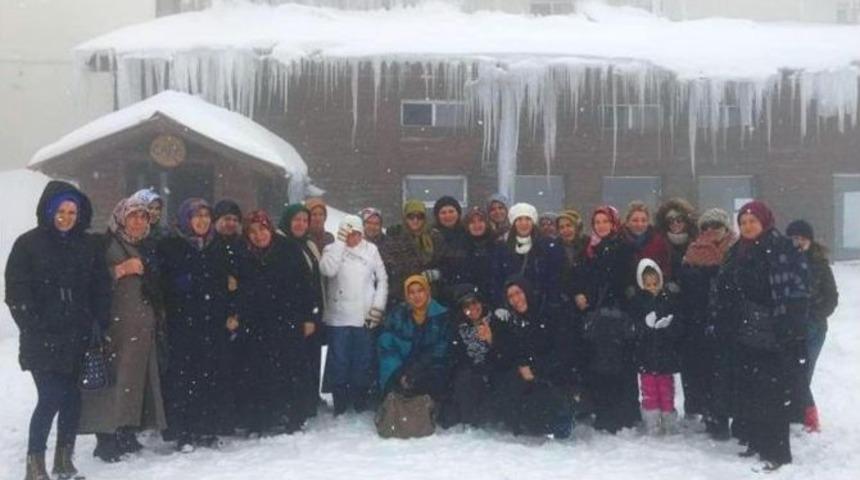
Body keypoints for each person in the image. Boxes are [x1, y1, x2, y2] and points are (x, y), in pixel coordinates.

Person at [5, 181, 111, 480]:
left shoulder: (87, 245)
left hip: (78, 336)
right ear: (49, 210)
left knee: (73, 400)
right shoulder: (28, 244)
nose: (66, 217)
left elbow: (100, 287)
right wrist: (34, 323)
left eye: (72, 211)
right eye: (61, 211)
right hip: (43, 339)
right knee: (51, 396)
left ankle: (64, 460)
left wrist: (98, 321)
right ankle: (34, 465)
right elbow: (16, 292)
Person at [713, 201, 809, 471]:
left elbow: (798, 290)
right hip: (744, 331)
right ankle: (756, 441)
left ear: (765, 222)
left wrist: (789, 326)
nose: (748, 226)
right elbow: (726, 287)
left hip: (775, 332)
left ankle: (777, 451)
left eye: (752, 221)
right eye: (743, 222)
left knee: (773, 395)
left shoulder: (782, 249)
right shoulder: (737, 251)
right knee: (750, 391)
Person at [78, 197, 167, 462]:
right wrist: (118, 270)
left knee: (134, 382)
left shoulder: (147, 246)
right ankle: (105, 438)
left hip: (142, 329)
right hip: (114, 327)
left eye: (143, 216)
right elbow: (88, 280)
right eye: (133, 216)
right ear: (120, 217)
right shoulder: (105, 243)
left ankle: (126, 432)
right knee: (113, 382)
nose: (139, 221)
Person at [158, 198, 235, 452]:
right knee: (184, 377)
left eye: (206, 215)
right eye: (196, 216)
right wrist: (180, 286)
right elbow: (161, 284)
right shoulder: (171, 246)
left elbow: (228, 282)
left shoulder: (217, 246)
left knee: (210, 375)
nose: (202, 220)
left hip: (212, 323)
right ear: (186, 219)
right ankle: (185, 431)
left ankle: (208, 427)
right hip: (183, 324)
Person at [236, 210, 316, 434]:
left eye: (262, 230)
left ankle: (293, 416)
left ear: (269, 228)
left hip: (287, 320)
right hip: (257, 322)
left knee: (290, 369)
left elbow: (305, 285)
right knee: (260, 371)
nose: (258, 236)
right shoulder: (244, 253)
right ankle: (263, 417)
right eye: (252, 232)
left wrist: (309, 317)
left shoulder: (288, 250)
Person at [575, 205, 639, 433]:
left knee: (614, 366)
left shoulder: (622, 247)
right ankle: (603, 410)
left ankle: (616, 415)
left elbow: (619, 281)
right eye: (598, 222)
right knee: (599, 364)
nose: (601, 226)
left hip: (615, 313)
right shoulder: (591, 247)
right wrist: (581, 293)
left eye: (605, 221)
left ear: (614, 223)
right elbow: (584, 275)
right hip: (596, 314)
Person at [319, 215, 388, 415]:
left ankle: (360, 397)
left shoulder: (371, 250)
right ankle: (340, 399)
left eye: (356, 233)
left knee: (363, 359)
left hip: (364, 315)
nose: (353, 238)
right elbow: (328, 270)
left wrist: (378, 307)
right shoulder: (331, 250)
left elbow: (382, 280)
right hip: (338, 316)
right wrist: (340, 243)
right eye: (348, 233)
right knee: (339, 359)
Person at [677, 208, 736, 439]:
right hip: (698, 321)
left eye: (717, 226)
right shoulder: (692, 253)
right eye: (706, 226)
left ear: (726, 228)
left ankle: (725, 416)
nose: (712, 231)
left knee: (726, 373)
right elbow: (686, 289)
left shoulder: (736, 250)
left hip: (728, 321)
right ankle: (711, 416)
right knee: (703, 372)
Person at [490, 276, 573, 438]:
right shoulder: (512, 321)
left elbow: (563, 351)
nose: (516, 299)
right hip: (527, 378)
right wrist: (493, 340)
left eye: (518, 293)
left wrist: (536, 368)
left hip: (552, 375)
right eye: (510, 297)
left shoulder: (549, 313)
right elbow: (510, 355)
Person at [785, 219, 839, 432]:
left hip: (813, 327)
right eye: (794, 238)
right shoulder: (783, 262)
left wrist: (815, 314)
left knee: (804, 371)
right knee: (792, 370)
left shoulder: (818, 263)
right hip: (790, 325)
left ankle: (806, 414)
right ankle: (797, 411)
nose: (798, 242)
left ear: (810, 241)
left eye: (802, 238)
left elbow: (831, 297)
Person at [279, 204, 325, 419]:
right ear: (288, 221)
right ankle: (295, 407)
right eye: (296, 220)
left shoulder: (308, 244)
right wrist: (304, 315)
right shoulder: (281, 245)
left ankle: (309, 400)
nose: (301, 224)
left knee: (311, 358)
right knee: (294, 363)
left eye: (305, 221)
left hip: (312, 312)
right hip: (293, 315)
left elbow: (315, 279)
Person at [378, 275, 450, 402]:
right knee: (392, 374)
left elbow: (441, 347)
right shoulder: (398, 314)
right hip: (403, 362)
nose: (416, 296)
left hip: (430, 364)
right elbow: (386, 341)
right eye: (411, 292)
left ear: (427, 291)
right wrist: (400, 371)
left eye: (420, 291)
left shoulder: (441, 315)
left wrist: (416, 369)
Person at [631, 259, 683, 435]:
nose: (652, 287)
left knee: (667, 390)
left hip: (665, 355)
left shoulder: (668, 300)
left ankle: (669, 421)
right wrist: (645, 326)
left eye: (655, 283)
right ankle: (652, 422)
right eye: (648, 284)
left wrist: (667, 327)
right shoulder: (637, 302)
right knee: (649, 391)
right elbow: (633, 328)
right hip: (646, 355)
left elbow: (678, 326)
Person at [439, 284, 502, 429]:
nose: (472, 308)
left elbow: (506, 355)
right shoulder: (458, 328)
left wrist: (492, 340)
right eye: (466, 305)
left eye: (474, 302)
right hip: (470, 376)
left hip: (494, 374)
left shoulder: (496, 320)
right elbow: (456, 357)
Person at [491, 202, 564, 310]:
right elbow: (497, 279)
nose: (524, 223)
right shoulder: (502, 248)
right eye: (519, 219)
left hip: (541, 307)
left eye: (528, 219)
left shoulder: (547, 246)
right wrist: (501, 305)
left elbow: (555, 278)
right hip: (513, 305)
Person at [380, 199, 441, 307]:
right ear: (405, 218)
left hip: (430, 296)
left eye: (420, 217)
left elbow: (442, 262)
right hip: (401, 295)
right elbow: (391, 265)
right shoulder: (395, 236)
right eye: (411, 217)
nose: (415, 220)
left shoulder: (434, 237)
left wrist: (437, 273)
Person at [623, 201, 672, 280]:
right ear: (627, 222)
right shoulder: (620, 242)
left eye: (643, 220)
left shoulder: (659, 242)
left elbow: (665, 268)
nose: (639, 224)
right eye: (635, 220)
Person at [656, 198, 697, 277]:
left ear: (686, 221)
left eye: (679, 220)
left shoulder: (696, 241)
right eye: (670, 221)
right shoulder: (660, 243)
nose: (675, 223)